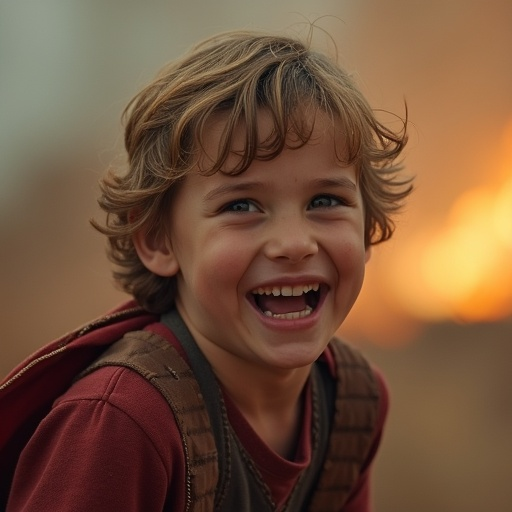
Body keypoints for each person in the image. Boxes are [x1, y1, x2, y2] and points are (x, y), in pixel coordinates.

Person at [6, 29, 412, 511]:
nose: (293, 244)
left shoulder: (353, 405)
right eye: (242, 205)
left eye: (326, 201)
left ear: (369, 228)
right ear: (158, 240)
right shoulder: (122, 422)